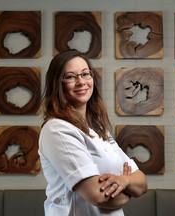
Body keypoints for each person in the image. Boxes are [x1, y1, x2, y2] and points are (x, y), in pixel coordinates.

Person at [38, 49, 147, 216]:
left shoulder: (97, 128)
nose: (81, 82)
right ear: (57, 83)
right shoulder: (57, 130)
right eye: (70, 77)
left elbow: (141, 183)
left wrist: (125, 180)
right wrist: (128, 190)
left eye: (85, 74)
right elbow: (99, 197)